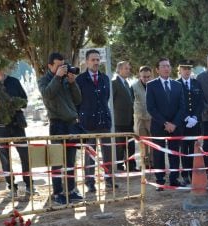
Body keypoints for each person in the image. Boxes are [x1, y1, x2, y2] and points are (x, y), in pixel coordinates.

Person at [38, 52, 84, 205]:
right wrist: (57, 77)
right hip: (57, 124)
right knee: (57, 162)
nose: (62, 68)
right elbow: (47, 94)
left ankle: (71, 190)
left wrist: (72, 83)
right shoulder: (44, 80)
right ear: (50, 66)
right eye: (58, 66)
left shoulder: (65, 79)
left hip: (71, 124)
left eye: (63, 65)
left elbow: (78, 99)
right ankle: (58, 193)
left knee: (70, 161)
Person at [0, 66, 31, 195]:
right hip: (0, 127)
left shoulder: (14, 81)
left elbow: (24, 101)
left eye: (0, 66)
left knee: (25, 155)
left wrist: (13, 103)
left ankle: (29, 184)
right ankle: (11, 185)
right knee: (5, 158)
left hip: (17, 125)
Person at [146, 57, 187, 189]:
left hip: (176, 126)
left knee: (174, 153)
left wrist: (174, 124)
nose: (166, 68)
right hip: (159, 126)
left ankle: (174, 178)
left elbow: (182, 107)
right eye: (163, 66)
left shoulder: (178, 85)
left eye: (168, 66)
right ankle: (160, 180)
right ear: (157, 69)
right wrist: (165, 123)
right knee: (158, 154)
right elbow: (151, 108)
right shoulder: (151, 85)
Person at [76, 49, 113, 192]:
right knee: (90, 154)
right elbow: (78, 101)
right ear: (87, 61)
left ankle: (109, 179)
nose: (96, 62)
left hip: (104, 121)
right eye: (93, 60)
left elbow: (106, 98)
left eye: (98, 60)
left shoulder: (104, 78)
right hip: (88, 123)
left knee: (108, 152)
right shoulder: (80, 79)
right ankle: (89, 181)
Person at [177, 61, 204, 185]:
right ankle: (185, 174)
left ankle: (194, 174)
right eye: (184, 69)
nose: (187, 71)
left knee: (194, 149)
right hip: (183, 124)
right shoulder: (176, 84)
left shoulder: (196, 83)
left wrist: (195, 117)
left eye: (188, 69)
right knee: (184, 150)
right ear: (180, 70)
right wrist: (186, 118)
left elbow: (200, 103)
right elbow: (176, 104)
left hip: (195, 123)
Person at [112, 60, 137, 172]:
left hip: (129, 120)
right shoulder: (114, 83)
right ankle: (119, 166)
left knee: (130, 145)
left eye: (129, 68)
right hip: (119, 121)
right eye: (126, 68)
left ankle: (131, 166)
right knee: (120, 145)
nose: (128, 70)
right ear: (119, 69)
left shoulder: (127, 83)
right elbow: (111, 102)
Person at [132, 66, 153, 169]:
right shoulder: (134, 86)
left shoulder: (154, 85)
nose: (146, 79)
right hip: (140, 118)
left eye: (148, 76)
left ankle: (153, 162)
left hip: (153, 118)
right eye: (144, 77)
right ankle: (144, 164)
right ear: (140, 76)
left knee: (153, 142)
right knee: (142, 142)